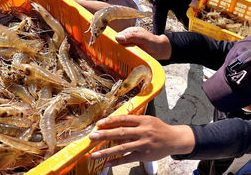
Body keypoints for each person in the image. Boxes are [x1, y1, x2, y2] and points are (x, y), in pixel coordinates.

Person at [89, 27, 251, 175]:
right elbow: (217, 49)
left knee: (238, 168)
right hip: (226, 136)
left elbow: (243, 135)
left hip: (243, 146)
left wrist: (176, 138)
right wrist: (163, 45)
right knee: (214, 158)